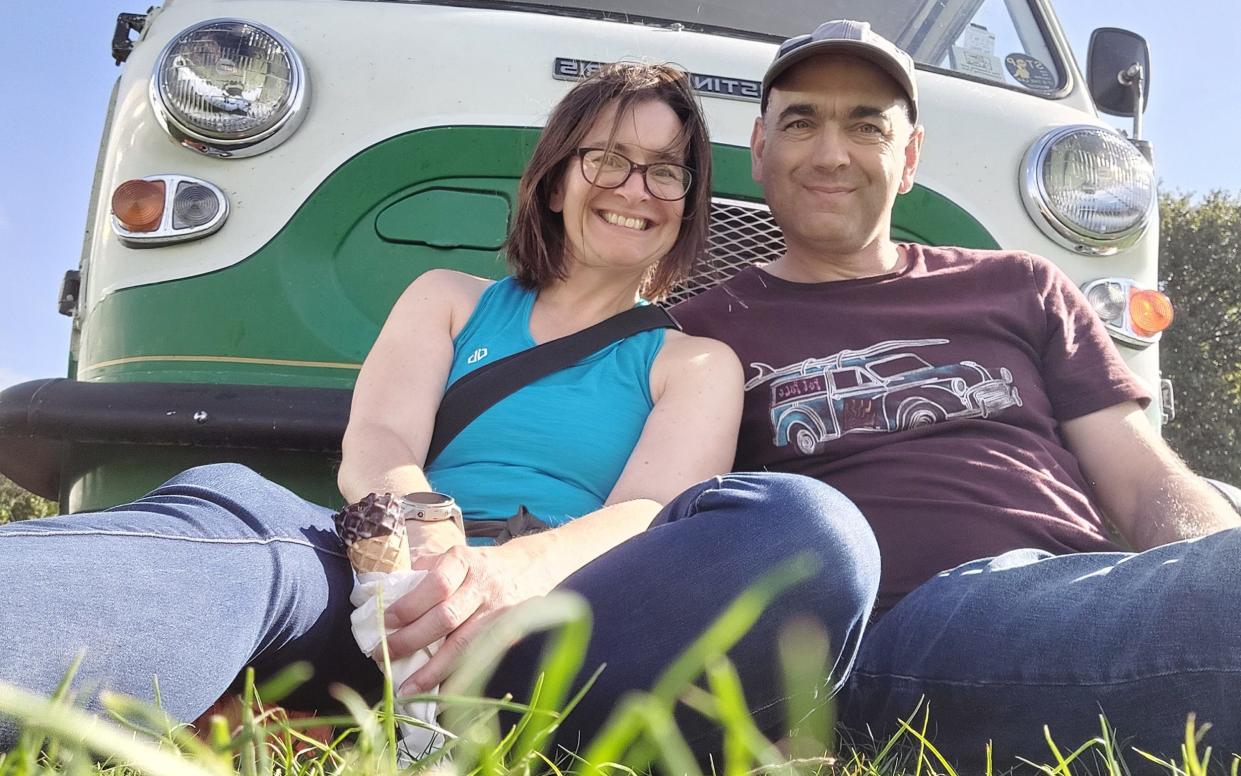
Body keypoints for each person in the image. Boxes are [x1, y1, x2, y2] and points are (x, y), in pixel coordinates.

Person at [0, 63, 879, 756]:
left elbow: (647, 513)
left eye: (665, 172)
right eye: (608, 158)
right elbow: (378, 436)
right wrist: (424, 543)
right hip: (381, 576)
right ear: (554, 178)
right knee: (233, 514)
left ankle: (406, 719)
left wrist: (503, 580)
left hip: (570, 613)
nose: (635, 188)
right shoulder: (449, 298)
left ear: (687, 205)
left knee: (808, 528)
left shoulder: (694, 362)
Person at [672, 20, 1241, 771]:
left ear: (907, 157)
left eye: (865, 126)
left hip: (1083, 594)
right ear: (759, 150)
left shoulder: (1022, 285)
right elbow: (670, 526)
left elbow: (1145, 481)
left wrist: (1197, 572)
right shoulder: (703, 332)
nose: (830, 152)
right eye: (800, 121)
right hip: (899, 639)